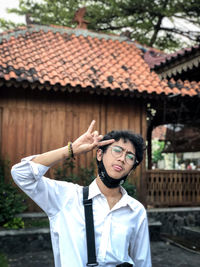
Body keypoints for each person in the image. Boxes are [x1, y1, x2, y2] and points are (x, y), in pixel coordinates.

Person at [11, 120, 152, 267]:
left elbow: (143, 262)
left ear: (131, 169)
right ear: (99, 154)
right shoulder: (67, 197)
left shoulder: (136, 210)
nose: (122, 158)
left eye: (130, 157)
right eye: (117, 150)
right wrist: (71, 150)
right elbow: (22, 174)